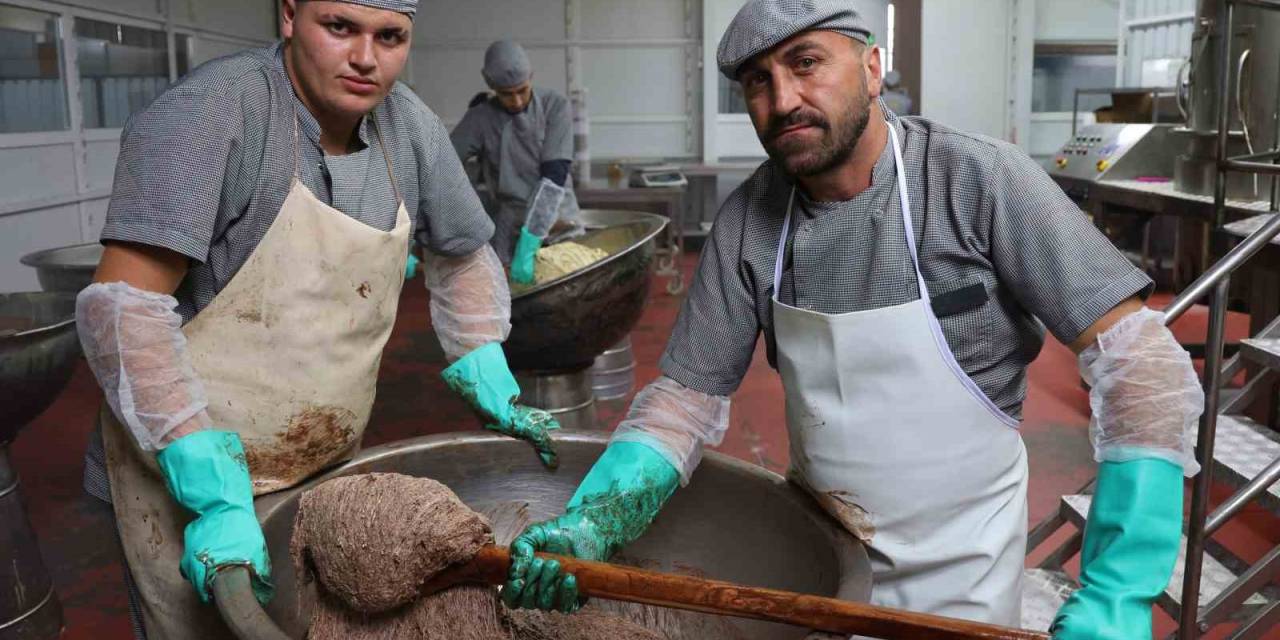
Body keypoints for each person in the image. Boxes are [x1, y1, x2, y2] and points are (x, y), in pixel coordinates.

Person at [502, 2, 1202, 639]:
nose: (783, 100)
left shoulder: (976, 180)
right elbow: (682, 404)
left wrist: (1118, 594)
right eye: (756, 81)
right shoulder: (750, 221)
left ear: (871, 69)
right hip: (820, 560)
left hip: (965, 572)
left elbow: (1142, 365)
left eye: (806, 63)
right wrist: (594, 520)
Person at [74, 2, 558, 638]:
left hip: (326, 458)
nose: (366, 58)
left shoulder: (410, 128)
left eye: (390, 37)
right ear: (289, 14)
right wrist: (214, 493)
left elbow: (463, 258)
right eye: (340, 28)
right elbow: (125, 309)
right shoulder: (215, 113)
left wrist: (484, 363)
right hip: (182, 471)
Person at [451, 39, 581, 284]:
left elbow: (554, 177)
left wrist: (530, 241)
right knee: (513, 304)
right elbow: (440, 167)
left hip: (558, 220)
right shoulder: (481, 118)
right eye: (506, 94)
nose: (517, 102)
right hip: (509, 228)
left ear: (531, 76)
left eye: (522, 90)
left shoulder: (555, 106)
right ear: (491, 86)